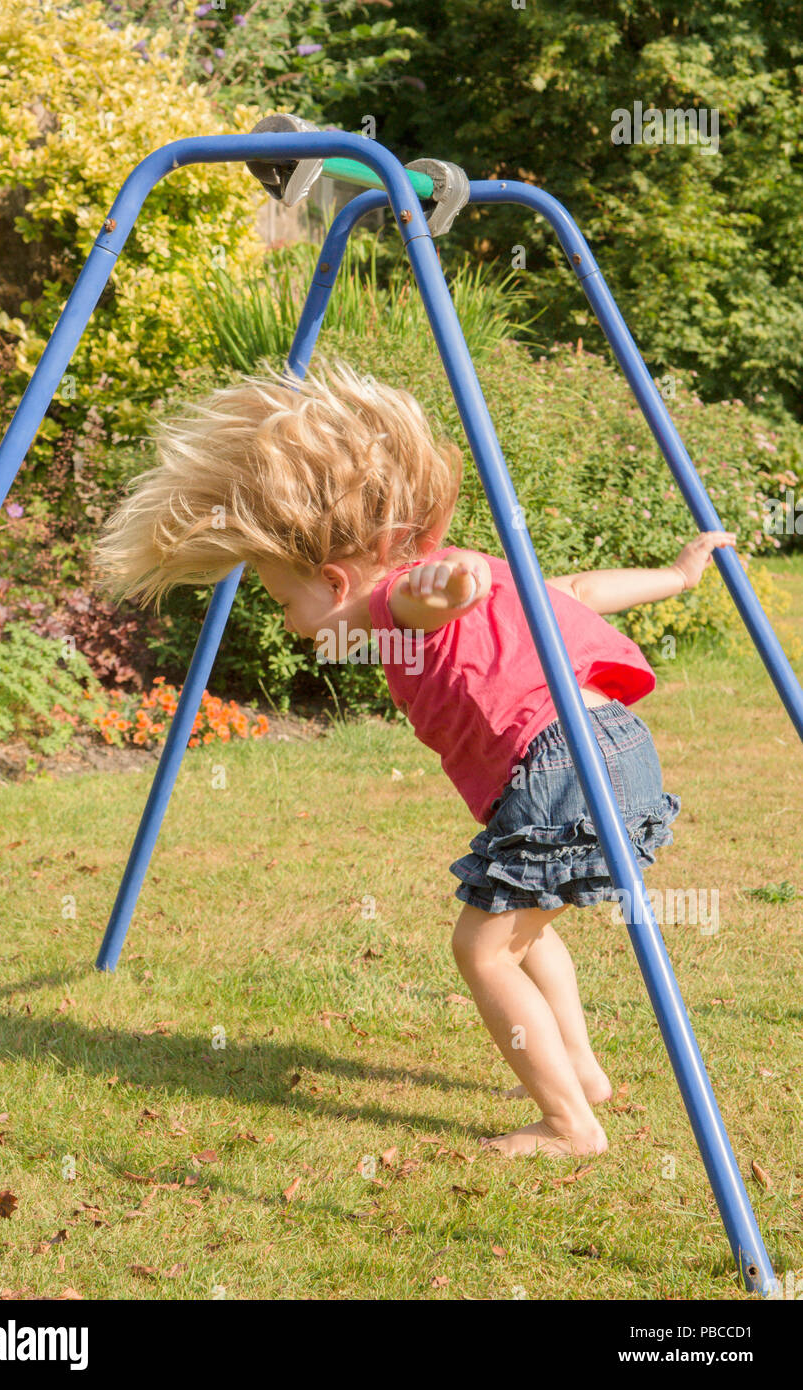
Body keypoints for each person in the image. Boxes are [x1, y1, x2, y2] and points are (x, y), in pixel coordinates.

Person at [93, 355, 739, 1158]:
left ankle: (572, 1126)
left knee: (481, 947)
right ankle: (581, 1071)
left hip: (560, 760)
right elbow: (573, 590)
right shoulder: (470, 580)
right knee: (526, 933)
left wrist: (445, 588)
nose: (291, 622)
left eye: (283, 599)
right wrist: (675, 578)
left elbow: (420, 597)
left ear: (332, 582)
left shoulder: (395, 598)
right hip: (616, 749)